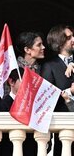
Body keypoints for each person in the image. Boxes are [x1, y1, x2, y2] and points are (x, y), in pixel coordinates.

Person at [41, 24, 74, 156]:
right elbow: (47, 99)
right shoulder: (49, 66)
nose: (73, 39)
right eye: (68, 38)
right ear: (59, 43)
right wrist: (70, 92)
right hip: (63, 127)